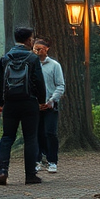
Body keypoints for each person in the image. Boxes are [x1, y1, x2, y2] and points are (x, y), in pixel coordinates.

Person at [0, 27, 47, 186]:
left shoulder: (5, 58)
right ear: (29, 40)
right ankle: (30, 175)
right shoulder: (32, 58)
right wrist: (41, 100)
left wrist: (1, 102)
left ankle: (2, 170)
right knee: (30, 138)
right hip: (29, 102)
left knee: (7, 136)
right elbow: (39, 80)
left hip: (10, 103)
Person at [33, 39, 65, 174]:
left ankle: (52, 161)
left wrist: (52, 100)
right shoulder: (31, 65)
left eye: (40, 48)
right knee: (37, 134)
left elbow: (60, 85)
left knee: (50, 133)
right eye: (35, 48)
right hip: (35, 106)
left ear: (47, 49)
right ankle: (38, 160)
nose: (38, 51)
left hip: (50, 105)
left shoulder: (54, 65)